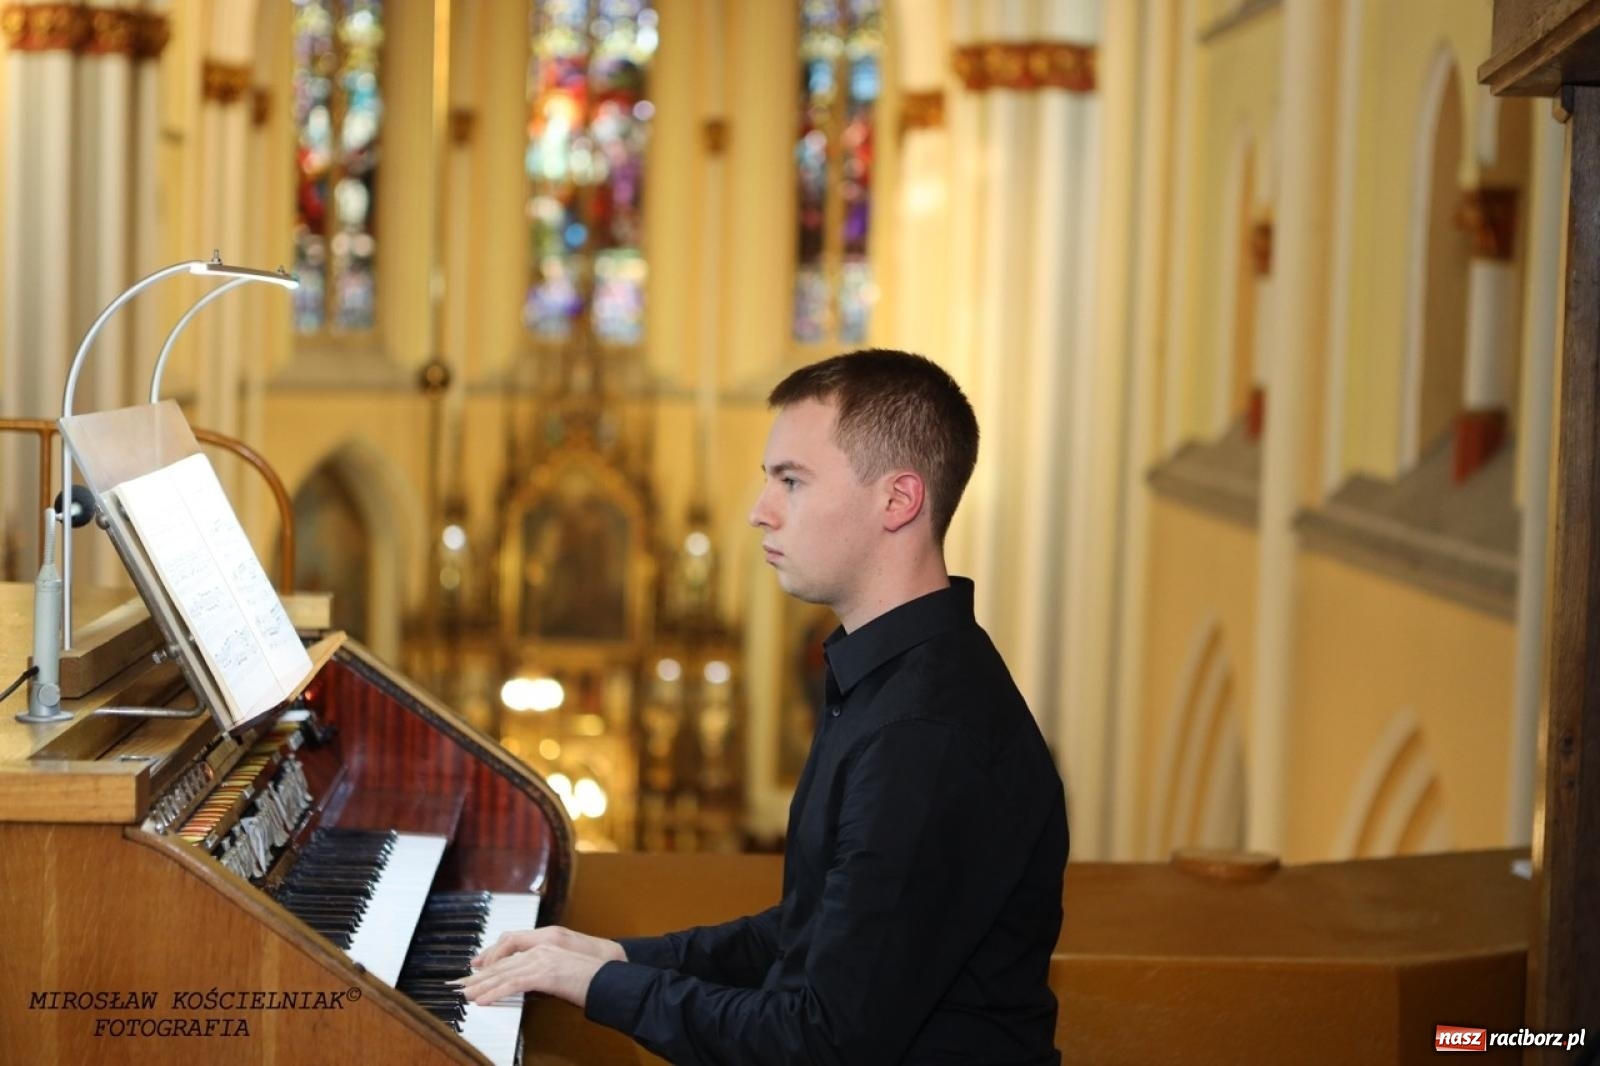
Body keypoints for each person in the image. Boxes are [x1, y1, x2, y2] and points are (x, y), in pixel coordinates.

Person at [458, 349, 1069, 1064]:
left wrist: (602, 986)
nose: (760, 511)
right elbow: (806, 933)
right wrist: (615, 955)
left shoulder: (925, 734)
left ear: (898, 501)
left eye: (792, 481)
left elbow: (819, 1041)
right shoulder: (884, 682)